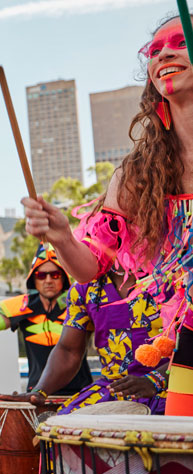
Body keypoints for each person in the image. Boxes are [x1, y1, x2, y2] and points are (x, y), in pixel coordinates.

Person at [22, 14, 192, 415]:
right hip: (186, 354)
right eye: (154, 50)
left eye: (179, 43)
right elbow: (89, 270)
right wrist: (62, 236)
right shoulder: (138, 174)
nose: (164, 52)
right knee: (173, 440)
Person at [0, 267, 167, 414]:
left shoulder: (175, 277)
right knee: (58, 432)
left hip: (171, 388)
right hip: (112, 390)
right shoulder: (85, 287)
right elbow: (69, 351)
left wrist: (155, 380)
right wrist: (40, 391)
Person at [0, 243, 92, 394]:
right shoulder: (22, 306)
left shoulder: (78, 303)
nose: (48, 280)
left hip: (79, 391)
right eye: (41, 275)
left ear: (63, 277)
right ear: (33, 280)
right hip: (37, 391)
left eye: (54, 275)